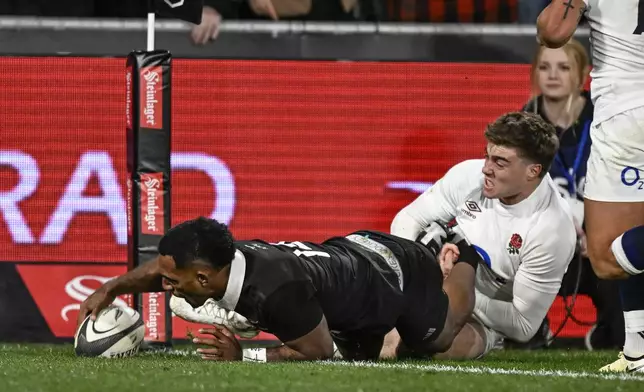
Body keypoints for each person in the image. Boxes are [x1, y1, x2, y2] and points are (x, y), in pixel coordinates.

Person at [77, 217, 478, 362]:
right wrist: (112, 288)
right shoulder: (222, 259)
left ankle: (464, 251)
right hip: (352, 269)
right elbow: (163, 266)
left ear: (203, 279)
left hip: (397, 271)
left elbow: (316, 351)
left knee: (436, 339)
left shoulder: (276, 292)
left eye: (172, 283)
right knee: (365, 355)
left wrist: (245, 355)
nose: (164, 287)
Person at [380, 111, 577, 360]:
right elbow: (408, 220)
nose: (486, 169)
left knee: (428, 346)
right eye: (487, 156)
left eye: (500, 162)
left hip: (482, 318)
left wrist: (458, 292)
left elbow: (523, 325)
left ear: (532, 171)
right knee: (373, 326)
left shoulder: (552, 230)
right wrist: (417, 274)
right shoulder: (468, 176)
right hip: (424, 288)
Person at [537, 0, 644, 372]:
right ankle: (637, 350)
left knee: (606, 255)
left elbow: (551, 32)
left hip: (627, 111)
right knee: (633, 235)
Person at [521, 40, 624, 351]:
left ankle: (610, 331)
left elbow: (624, 186)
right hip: (542, 243)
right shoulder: (520, 127)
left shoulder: (606, 121)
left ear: (582, 74)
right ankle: (529, 330)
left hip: (598, 244)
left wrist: (593, 228)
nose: (553, 75)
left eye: (563, 67)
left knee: (623, 337)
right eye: (544, 67)